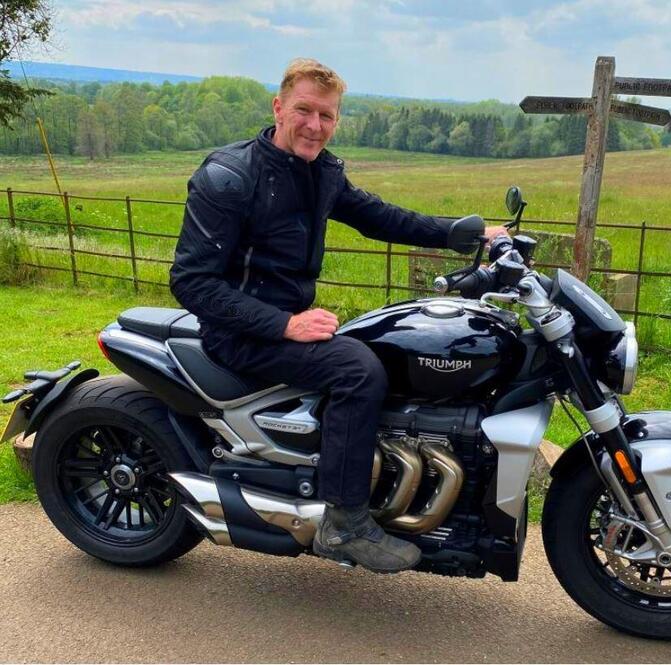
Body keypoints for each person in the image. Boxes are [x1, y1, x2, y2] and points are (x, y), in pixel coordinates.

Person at [170, 58, 508, 573]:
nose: (315, 125)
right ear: (278, 108)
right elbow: (191, 282)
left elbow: (380, 217)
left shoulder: (321, 172)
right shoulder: (229, 177)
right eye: (304, 110)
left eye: (326, 115)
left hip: (288, 321)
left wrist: (467, 234)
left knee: (394, 348)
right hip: (241, 333)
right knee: (357, 370)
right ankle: (344, 523)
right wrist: (285, 325)